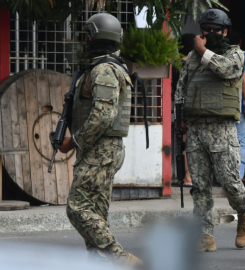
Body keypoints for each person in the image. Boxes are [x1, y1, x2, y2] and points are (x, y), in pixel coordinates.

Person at [59, 13, 142, 268]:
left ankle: (119, 257)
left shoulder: (105, 69)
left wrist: (74, 141)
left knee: (77, 207)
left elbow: (102, 115)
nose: (85, 40)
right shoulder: (106, 67)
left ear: (95, 37)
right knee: (95, 213)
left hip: (100, 149)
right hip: (103, 149)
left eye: (87, 35)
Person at [174, 9, 245, 252]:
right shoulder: (193, 58)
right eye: (205, 29)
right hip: (197, 129)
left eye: (215, 30)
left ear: (225, 31)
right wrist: (181, 121)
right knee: (200, 186)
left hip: (223, 130)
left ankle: (244, 214)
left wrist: (202, 50)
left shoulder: (235, 54)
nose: (209, 33)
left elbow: (227, 70)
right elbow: (182, 88)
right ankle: (205, 235)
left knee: (230, 181)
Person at [228, 28, 245, 180]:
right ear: (240, 42)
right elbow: (244, 78)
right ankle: (237, 177)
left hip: (222, 107)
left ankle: (225, 177)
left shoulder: (217, 55)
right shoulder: (242, 55)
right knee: (241, 142)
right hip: (238, 106)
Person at [172, 33, 196, 186]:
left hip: (177, 107)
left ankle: (183, 175)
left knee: (181, 142)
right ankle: (188, 176)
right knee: (188, 143)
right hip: (190, 107)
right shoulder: (193, 66)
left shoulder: (175, 66)